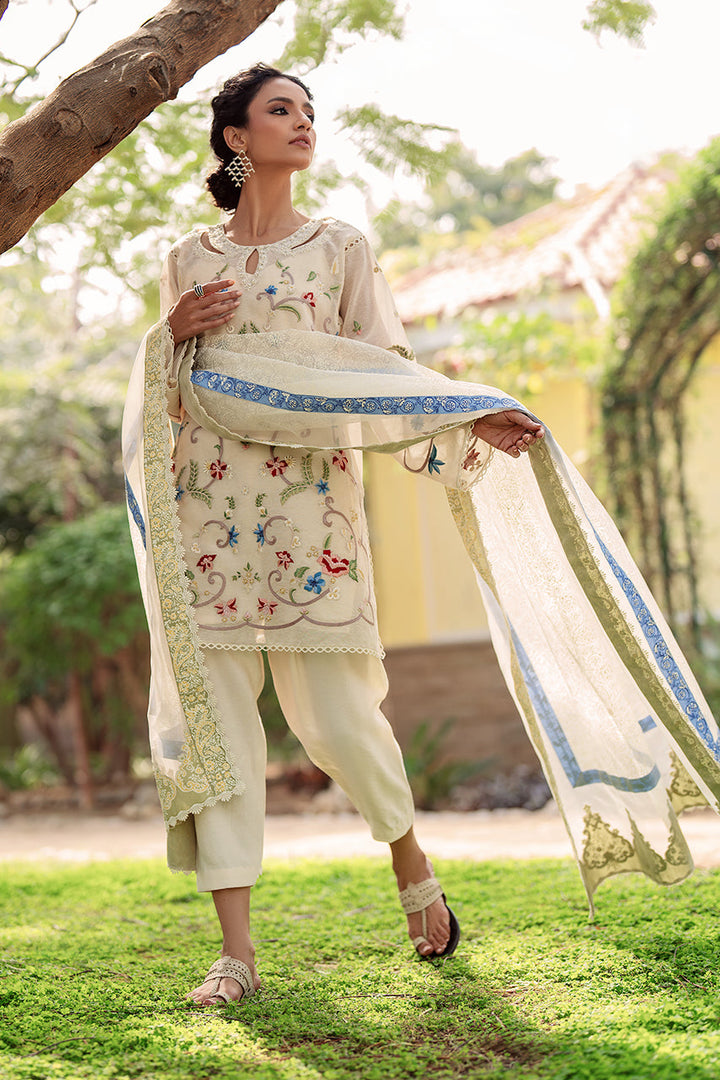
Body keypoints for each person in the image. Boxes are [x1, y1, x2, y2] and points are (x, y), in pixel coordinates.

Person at [123, 63, 720, 1009]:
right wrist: (171, 334)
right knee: (219, 732)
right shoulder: (187, 260)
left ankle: (411, 863)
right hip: (206, 525)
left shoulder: (340, 249)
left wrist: (468, 411)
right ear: (236, 136)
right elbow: (166, 401)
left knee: (343, 724)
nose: (303, 123)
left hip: (313, 523)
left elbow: (379, 373)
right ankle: (235, 955)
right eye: (281, 110)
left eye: (309, 111)